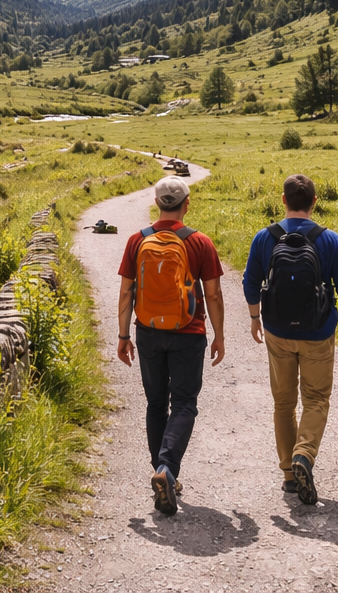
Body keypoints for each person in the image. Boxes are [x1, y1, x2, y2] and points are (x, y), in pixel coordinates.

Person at [242, 174, 338, 506]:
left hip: (277, 330)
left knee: (283, 402)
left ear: (283, 201)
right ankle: (304, 455)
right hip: (318, 331)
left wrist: (254, 318)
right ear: (315, 201)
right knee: (317, 399)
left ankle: (290, 476)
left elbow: (251, 284)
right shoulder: (330, 239)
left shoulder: (265, 237)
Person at [116, 176, 226, 516]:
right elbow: (214, 294)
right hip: (188, 333)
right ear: (186, 204)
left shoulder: (138, 240)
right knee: (184, 405)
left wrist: (123, 337)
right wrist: (219, 335)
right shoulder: (200, 242)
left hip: (147, 331)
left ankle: (160, 471)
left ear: (157, 203)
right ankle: (166, 468)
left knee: (155, 404)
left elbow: (126, 292)